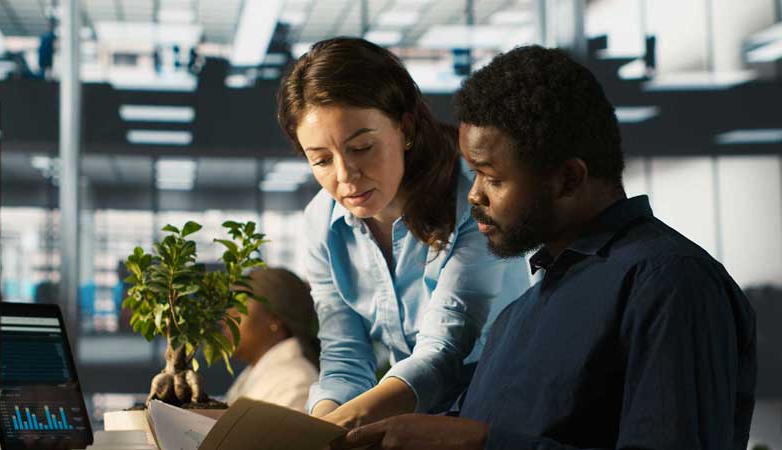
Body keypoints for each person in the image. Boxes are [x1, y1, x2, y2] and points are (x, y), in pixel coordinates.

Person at [336, 45, 756, 449]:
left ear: (569, 178)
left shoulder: (670, 283)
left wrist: (477, 443)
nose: (475, 195)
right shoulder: (521, 312)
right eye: (474, 174)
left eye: (493, 178)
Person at [276, 37, 530, 427]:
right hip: (411, 419)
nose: (345, 176)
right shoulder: (321, 223)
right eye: (322, 160)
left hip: (503, 418)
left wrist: (340, 427)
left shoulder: (475, 196)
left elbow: (443, 350)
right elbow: (344, 357)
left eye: (362, 147)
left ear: (405, 127)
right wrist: (321, 426)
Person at [223, 267, 319, 412]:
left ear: (274, 319)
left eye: (237, 313)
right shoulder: (255, 372)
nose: (225, 322)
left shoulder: (295, 382)